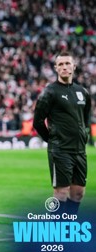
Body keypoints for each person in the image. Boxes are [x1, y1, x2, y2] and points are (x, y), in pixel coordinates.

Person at [33, 52, 92, 215]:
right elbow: (37, 122)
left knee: (78, 192)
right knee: (61, 193)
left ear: (74, 66)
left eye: (67, 63)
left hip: (79, 151)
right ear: (56, 68)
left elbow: (86, 117)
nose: (64, 67)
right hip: (60, 150)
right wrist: (52, 140)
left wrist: (84, 134)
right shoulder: (50, 92)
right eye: (60, 64)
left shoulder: (83, 92)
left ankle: (69, 226)